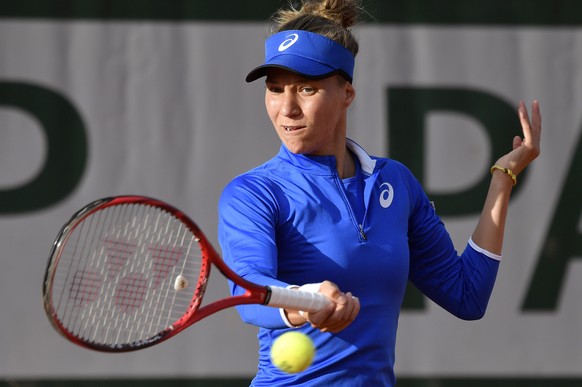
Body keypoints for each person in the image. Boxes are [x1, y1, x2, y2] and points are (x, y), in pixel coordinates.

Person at [217, 0, 542, 385]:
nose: (286, 108)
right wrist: (306, 301)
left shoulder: (395, 183)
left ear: (347, 94)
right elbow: (250, 288)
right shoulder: (254, 193)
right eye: (275, 89)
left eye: (307, 89)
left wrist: (503, 179)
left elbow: (466, 295)